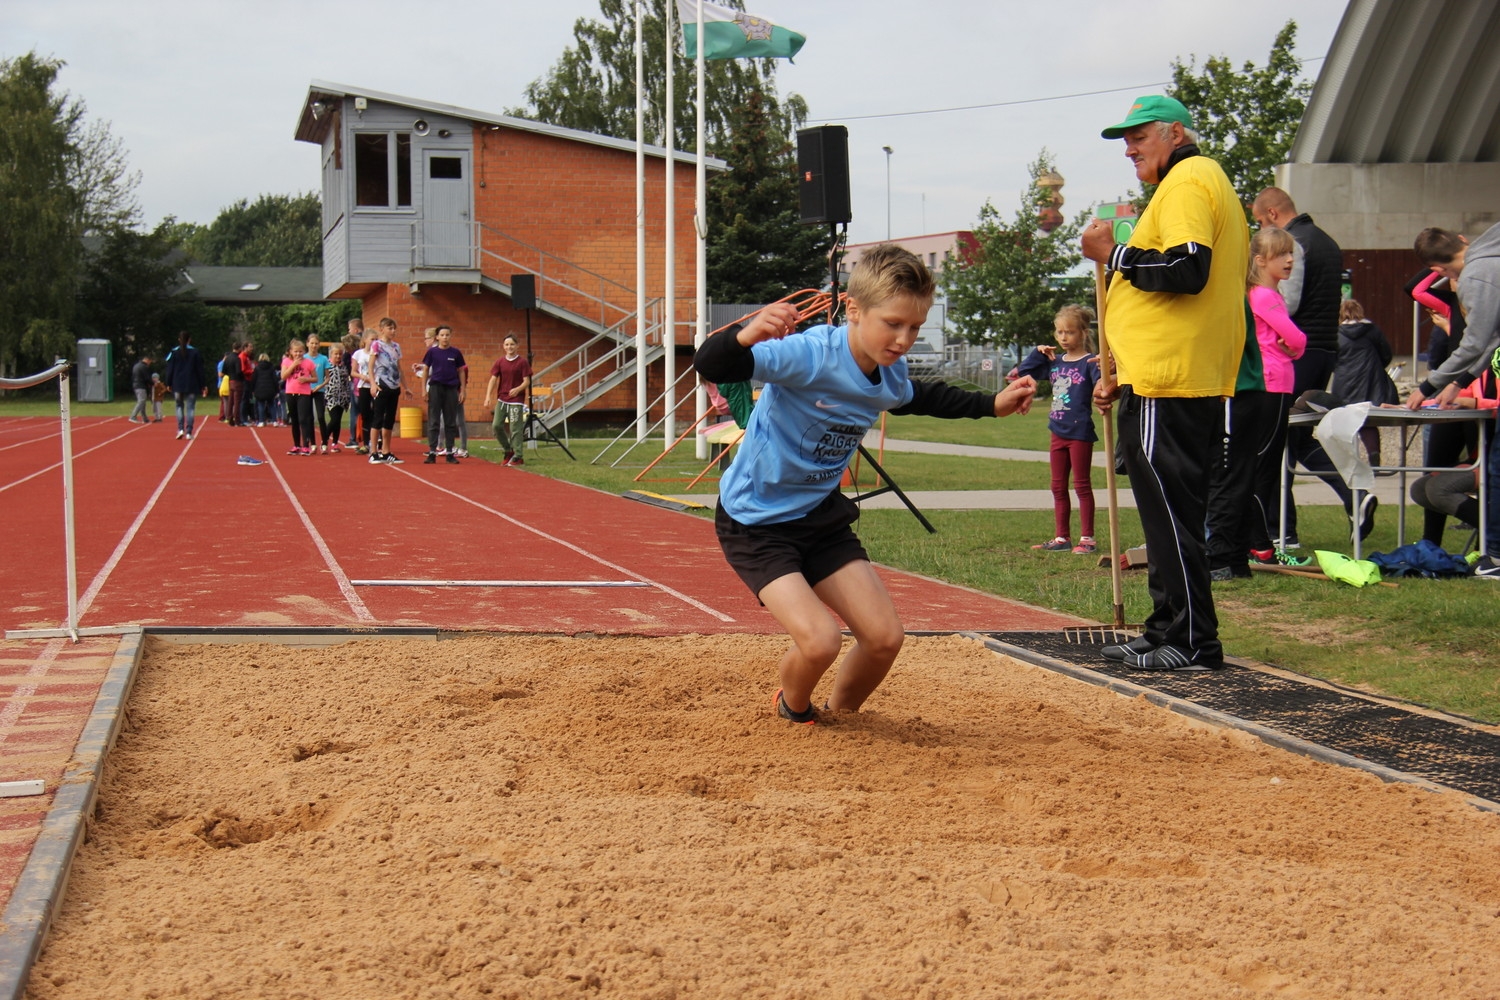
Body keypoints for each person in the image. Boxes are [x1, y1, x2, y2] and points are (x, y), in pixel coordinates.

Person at [693, 244, 1037, 723]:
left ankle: (845, 719)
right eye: (893, 323)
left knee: (884, 639)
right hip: (757, 522)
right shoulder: (809, 355)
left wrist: (991, 404)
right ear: (853, 310)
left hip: (820, 520)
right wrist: (744, 334)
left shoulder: (890, 375)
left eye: (914, 327)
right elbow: (712, 364)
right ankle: (793, 710)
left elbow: (926, 396)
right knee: (820, 641)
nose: (903, 339)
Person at [1081, 95, 1248, 672]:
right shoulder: (1190, 182)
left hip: (1174, 380)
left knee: (1173, 514)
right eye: (1124, 140)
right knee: (1163, 514)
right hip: (1162, 376)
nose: (1129, 149)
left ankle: (1194, 638)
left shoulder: (1188, 181)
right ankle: (1166, 627)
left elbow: (1187, 270)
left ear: (1175, 133)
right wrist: (1122, 372)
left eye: (1140, 137)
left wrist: (1114, 251)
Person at [1252, 186, 1355, 547]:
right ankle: (1353, 495)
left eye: (1261, 223)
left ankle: (1282, 529)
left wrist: (1272, 329)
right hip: (1326, 347)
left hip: (1295, 351)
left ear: (1273, 215)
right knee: (1296, 437)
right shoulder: (1327, 242)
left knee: (1279, 441)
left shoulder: (1292, 244)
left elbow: (1287, 302)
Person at [1207, 227, 1306, 580]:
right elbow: (1296, 339)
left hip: (1274, 385)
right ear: (1260, 261)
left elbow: (1294, 342)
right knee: (1251, 469)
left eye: (1291, 253)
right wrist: (1292, 345)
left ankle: (1245, 548)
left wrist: (1293, 345)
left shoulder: (1268, 296)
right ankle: (1249, 545)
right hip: (1264, 385)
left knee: (1255, 469)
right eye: (1282, 254)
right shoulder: (1261, 296)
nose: (1290, 260)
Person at [1407, 223, 1500, 579]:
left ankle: (1496, 556)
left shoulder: (1476, 277)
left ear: (1437, 271)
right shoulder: (1489, 245)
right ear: (1461, 239)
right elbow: (1493, 340)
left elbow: (1476, 342)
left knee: (1496, 469)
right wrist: (1461, 380)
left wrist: (1429, 386)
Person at [1014, 304, 1101, 555]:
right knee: (1057, 486)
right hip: (1057, 430)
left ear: (1083, 333)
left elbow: (1101, 386)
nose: (1064, 337)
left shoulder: (1089, 362)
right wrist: (1037, 353)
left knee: (1081, 485)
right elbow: (1025, 372)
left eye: (1070, 332)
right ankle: (1062, 537)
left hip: (1080, 431)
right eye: (1059, 332)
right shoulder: (1055, 362)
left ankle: (1088, 539)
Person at [1330, 298, 1398, 466]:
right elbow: (1386, 354)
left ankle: (1347, 461)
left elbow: (1331, 359)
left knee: (1344, 421)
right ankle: (1374, 457)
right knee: (1367, 422)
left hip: (1344, 383)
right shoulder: (1372, 331)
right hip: (1371, 381)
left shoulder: (1335, 335)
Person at [421, 324, 467, 464]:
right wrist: (424, 389)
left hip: (451, 389)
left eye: (447, 335)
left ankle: (449, 452)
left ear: (450, 336)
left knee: (450, 421)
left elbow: (461, 371)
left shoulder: (456, 353)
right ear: (437, 337)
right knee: (434, 420)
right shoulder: (432, 352)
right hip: (436, 387)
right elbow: (425, 369)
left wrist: (462, 390)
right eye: (442, 335)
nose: (445, 337)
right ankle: (432, 451)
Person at [485, 335, 532, 466]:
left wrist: (518, 389)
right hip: (502, 398)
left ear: (517, 346)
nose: (509, 347)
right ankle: (508, 449)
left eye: (512, 344)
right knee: (496, 425)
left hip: (516, 400)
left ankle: (518, 455)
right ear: (503, 346)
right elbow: (493, 379)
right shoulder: (500, 362)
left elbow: (526, 381)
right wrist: (488, 396)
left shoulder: (522, 362)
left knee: (515, 428)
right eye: (507, 344)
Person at [368, 317, 406, 464]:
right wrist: (372, 383)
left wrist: (406, 386)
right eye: (390, 328)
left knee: (389, 419)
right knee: (377, 418)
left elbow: (399, 368)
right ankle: (373, 452)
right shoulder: (377, 345)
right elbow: (371, 366)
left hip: (394, 386)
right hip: (381, 385)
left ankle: (386, 451)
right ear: (382, 329)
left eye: (394, 328)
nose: (393, 331)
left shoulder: (396, 346)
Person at [162, 331, 207, 440]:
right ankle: (189, 431)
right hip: (192, 383)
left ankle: (181, 428)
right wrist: (203, 385)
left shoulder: (174, 352)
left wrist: (168, 383)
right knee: (190, 408)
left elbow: (170, 369)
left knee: (179, 406)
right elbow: (199, 370)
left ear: (179, 340)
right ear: (189, 340)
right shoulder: (195, 352)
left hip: (177, 384)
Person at [281, 340, 317, 455]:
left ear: (304, 351)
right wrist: (293, 365)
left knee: (303, 419)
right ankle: (296, 445)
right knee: (294, 420)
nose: (298, 354)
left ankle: (306, 446)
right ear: (291, 352)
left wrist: (307, 379)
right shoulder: (286, 361)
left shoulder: (309, 363)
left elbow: (315, 378)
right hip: (290, 392)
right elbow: (283, 376)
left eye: (300, 351)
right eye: (295, 351)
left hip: (304, 394)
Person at [322, 343, 352, 453]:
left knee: (338, 421)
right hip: (330, 396)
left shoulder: (344, 367)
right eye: (336, 354)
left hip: (342, 397)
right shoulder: (327, 366)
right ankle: (324, 440)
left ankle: (335, 443)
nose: (338, 356)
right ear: (331, 354)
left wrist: (348, 397)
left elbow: (347, 383)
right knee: (334, 419)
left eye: (340, 354)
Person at [351, 330, 374, 454]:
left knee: (377, 414)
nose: (374, 342)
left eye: (376, 339)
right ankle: (366, 443)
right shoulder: (358, 354)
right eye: (372, 339)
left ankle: (377, 443)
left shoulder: (377, 353)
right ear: (365, 340)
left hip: (376, 386)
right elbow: (353, 371)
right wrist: (362, 377)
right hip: (363, 386)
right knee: (365, 415)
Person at [251, 353, 279, 427]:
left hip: (259, 389)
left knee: (261, 405)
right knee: (272, 405)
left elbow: (253, 379)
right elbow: (275, 380)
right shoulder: (271, 368)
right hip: (270, 389)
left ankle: (261, 421)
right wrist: (277, 390)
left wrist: (252, 389)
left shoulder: (257, 368)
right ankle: (274, 421)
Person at [128, 355, 153, 423]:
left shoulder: (136, 366)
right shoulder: (144, 367)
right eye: (150, 361)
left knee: (142, 402)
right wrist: (153, 383)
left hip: (136, 385)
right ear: (147, 360)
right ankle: (133, 416)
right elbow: (147, 378)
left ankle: (144, 418)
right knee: (141, 401)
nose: (149, 363)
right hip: (141, 386)